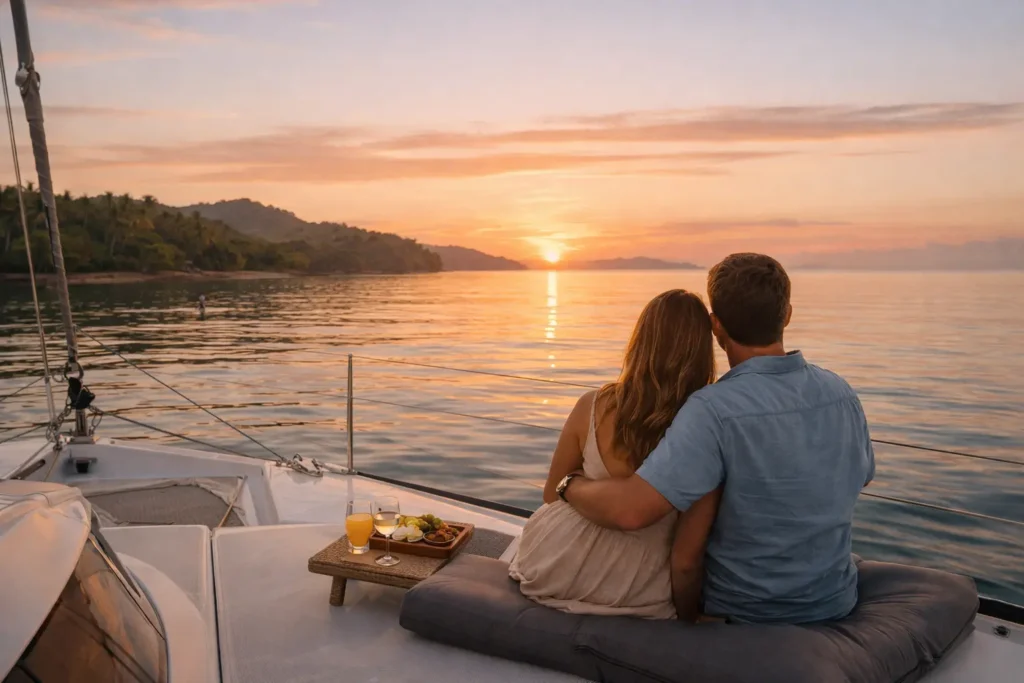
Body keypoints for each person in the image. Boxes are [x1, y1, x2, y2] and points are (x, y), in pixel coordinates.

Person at [560, 253, 875, 624]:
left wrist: (571, 485)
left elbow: (632, 513)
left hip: (744, 615)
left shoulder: (713, 409)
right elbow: (862, 476)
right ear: (787, 314)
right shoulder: (841, 392)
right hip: (833, 600)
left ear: (716, 327)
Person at [509, 289, 719, 620]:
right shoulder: (704, 426)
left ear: (640, 341)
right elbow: (686, 559)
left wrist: (577, 485)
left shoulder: (592, 405)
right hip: (634, 581)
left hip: (553, 563)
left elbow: (552, 494)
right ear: (702, 352)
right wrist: (689, 620)